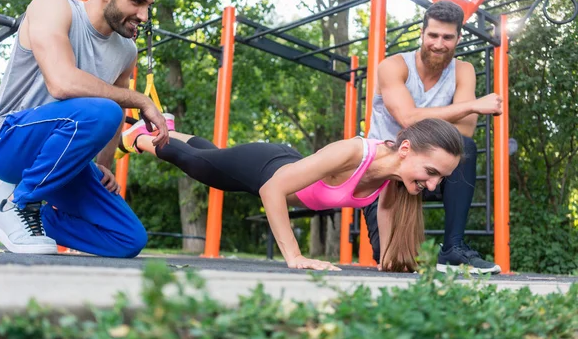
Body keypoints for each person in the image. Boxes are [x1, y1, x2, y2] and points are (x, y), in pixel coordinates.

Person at [0, 0, 169, 257]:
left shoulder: (127, 51)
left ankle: (9, 213)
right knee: (104, 111)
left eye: (148, 6)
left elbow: (116, 106)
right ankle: (18, 202)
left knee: (127, 238)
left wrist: (104, 164)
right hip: (7, 141)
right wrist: (141, 100)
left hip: (61, 161)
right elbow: (62, 83)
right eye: (137, 2)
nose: (144, 16)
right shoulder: (53, 6)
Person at [119, 117, 464, 271]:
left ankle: (169, 128)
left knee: (212, 156)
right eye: (431, 172)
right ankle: (138, 137)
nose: (433, 186)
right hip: (265, 166)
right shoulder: (353, 153)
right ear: (405, 148)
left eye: (440, 179)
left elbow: (386, 220)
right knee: (201, 166)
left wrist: (391, 263)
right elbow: (273, 189)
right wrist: (294, 256)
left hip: (287, 163)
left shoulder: (392, 179)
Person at [363, 0, 504, 274]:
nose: (439, 43)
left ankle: (453, 246)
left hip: (431, 171)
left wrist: (427, 117)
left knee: (465, 148)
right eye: (433, 35)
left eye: (448, 37)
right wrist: (472, 105)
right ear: (422, 33)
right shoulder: (393, 67)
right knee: (396, 263)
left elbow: (463, 133)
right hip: (387, 173)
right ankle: (409, 248)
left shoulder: (463, 71)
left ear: (458, 38)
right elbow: (407, 119)